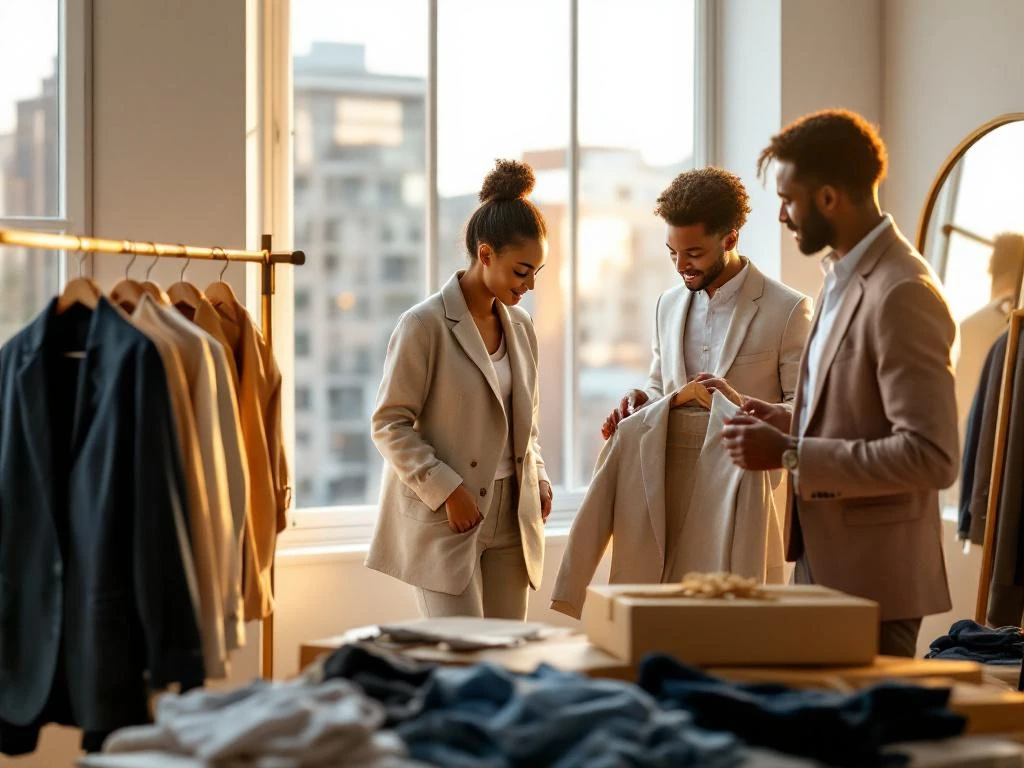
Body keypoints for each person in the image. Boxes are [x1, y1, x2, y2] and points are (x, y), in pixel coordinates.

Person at [722, 109, 958, 657]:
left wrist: (790, 454)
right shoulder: (841, 276)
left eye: (788, 198)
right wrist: (785, 419)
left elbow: (931, 456)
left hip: (875, 584)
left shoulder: (904, 292)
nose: (781, 214)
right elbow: (857, 409)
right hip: (822, 565)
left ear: (828, 198)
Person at [365, 159, 553, 620]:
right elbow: (388, 423)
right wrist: (449, 490)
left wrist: (541, 476)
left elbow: (524, 423)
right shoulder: (423, 325)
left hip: (514, 515)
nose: (528, 285)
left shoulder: (522, 327)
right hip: (449, 514)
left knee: (508, 658)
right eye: (521, 271)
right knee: (462, 658)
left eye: (536, 274)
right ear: (485, 254)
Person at [602, 167, 812, 440]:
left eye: (693, 253)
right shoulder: (666, 304)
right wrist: (642, 398)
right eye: (672, 252)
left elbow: (807, 413)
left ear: (730, 239)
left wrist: (738, 403)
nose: (680, 265)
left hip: (746, 478)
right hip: (672, 478)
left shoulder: (789, 310)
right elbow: (660, 386)